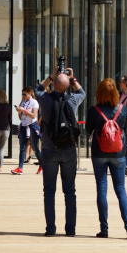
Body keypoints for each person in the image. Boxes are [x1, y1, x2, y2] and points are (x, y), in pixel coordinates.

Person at [35, 67, 86, 237]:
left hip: (49, 149)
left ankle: (50, 228)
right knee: (70, 191)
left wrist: (52, 75)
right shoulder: (72, 100)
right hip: (68, 149)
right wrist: (73, 79)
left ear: (54, 85)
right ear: (67, 86)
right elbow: (82, 93)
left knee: (49, 191)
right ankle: (70, 229)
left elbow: (38, 89)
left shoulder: (45, 100)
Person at [85, 78, 127, 239]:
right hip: (118, 154)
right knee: (121, 190)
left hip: (99, 153)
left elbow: (88, 131)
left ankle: (104, 229)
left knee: (102, 189)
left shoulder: (94, 110)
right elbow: (124, 129)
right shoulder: (122, 109)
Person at [11, 86, 42, 174]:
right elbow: (21, 117)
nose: (23, 96)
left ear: (30, 93)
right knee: (22, 148)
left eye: (25, 94)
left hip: (32, 125)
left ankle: (42, 165)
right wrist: (19, 112)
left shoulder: (34, 102)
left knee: (34, 147)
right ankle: (20, 168)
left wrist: (24, 111)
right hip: (24, 126)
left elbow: (33, 115)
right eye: (22, 94)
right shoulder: (23, 102)